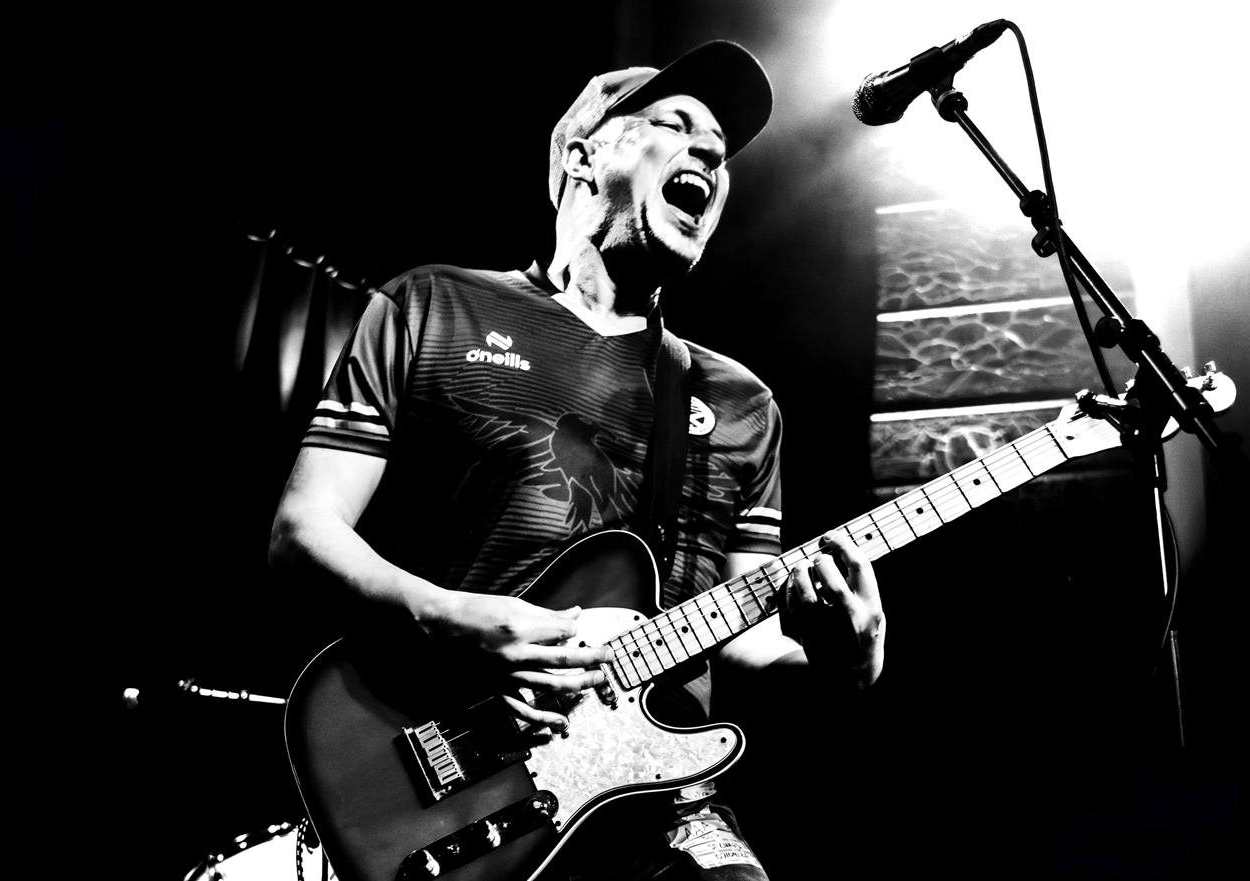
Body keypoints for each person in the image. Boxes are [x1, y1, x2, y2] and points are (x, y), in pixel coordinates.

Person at [269, 41, 885, 880]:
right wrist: (447, 616)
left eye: (720, 150)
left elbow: (746, 642)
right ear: (582, 157)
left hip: (663, 805)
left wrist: (848, 658)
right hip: (461, 776)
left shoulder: (740, 401)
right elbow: (303, 530)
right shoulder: (433, 304)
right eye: (675, 124)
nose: (709, 155)